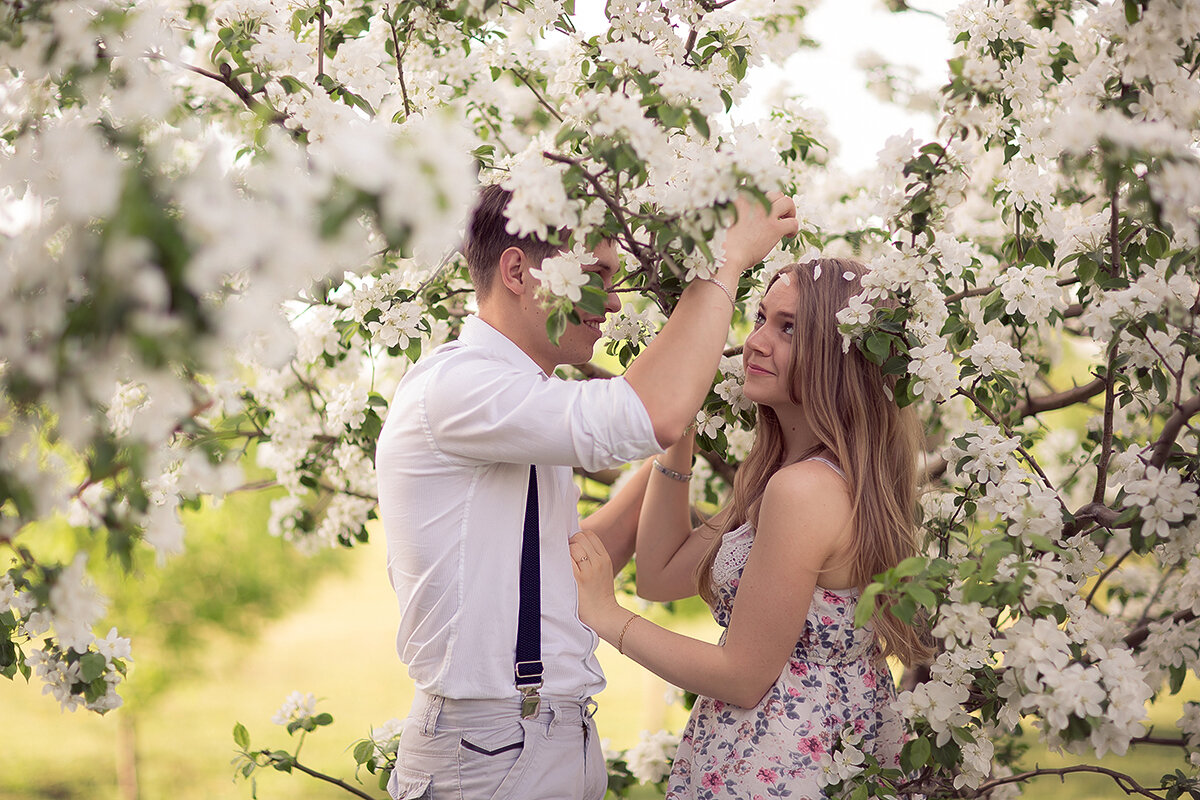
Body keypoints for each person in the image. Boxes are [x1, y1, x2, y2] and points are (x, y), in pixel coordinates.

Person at [374, 183, 798, 800]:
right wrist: (727, 260)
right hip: (495, 746)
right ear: (517, 270)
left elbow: (570, 558)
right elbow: (646, 414)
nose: (611, 297)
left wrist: (681, 445)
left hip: (536, 738)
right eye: (596, 273)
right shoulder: (460, 389)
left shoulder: (514, 398)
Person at [570, 257, 932, 799]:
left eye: (788, 328)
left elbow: (742, 674)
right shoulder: (794, 476)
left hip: (781, 767)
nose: (756, 342)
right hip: (801, 750)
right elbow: (662, 575)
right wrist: (679, 435)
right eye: (761, 318)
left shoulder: (803, 491)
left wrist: (604, 614)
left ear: (842, 354)